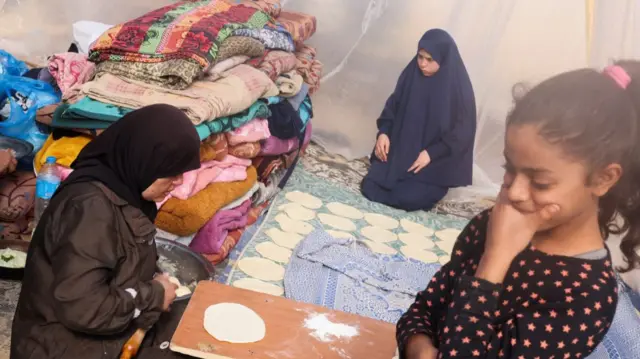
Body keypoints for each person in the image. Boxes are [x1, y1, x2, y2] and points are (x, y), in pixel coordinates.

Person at [396, 62, 640, 359]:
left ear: (603, 179)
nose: (514, 193)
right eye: (509, 169)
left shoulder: (585, 295)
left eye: (540, 182)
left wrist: (494, 262)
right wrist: (418, 345)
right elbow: (425, 307)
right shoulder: (493, 223)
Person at [11, 104, 201, 359]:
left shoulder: (125, 193)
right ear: (145, 159)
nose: (178, 182)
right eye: (172, 172)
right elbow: (83, 308)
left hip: (94, 333)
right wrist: (153, 296)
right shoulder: (89, 210)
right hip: (60, 347)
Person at [361, 29, 476, 212]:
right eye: (420, 57)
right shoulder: (411, 74)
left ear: (444, 59)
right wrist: (383, 133)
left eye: (429, 59)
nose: (422, 64)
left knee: (409, 198)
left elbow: (462, 133)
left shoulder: (459, 90)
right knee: (371, 186)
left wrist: (431, 154)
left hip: (432, 163)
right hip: (400, 153)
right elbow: (393, 105)